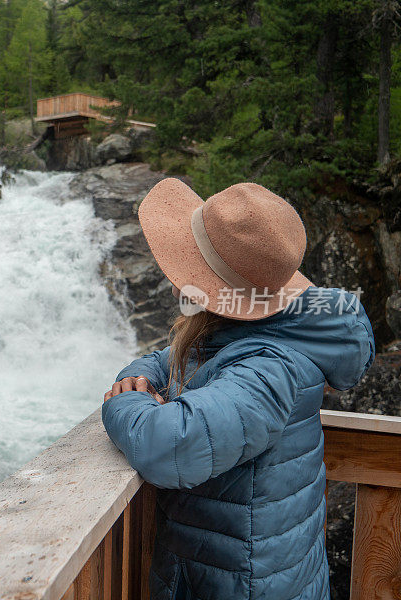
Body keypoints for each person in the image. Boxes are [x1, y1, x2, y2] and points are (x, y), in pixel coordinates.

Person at [101, 178, 375, 600]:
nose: (175, 277)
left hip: (244, 586)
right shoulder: (250, 328)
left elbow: (174, 444)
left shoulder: (269, 367)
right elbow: (167, 358)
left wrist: (127, 401)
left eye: (187, 263)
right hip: (243, 573)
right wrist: (141, 379)